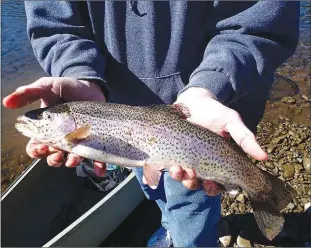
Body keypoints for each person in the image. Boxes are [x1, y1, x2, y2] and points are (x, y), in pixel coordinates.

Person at [3, 1, 299, 247]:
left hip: (208, 109)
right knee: (151, 185)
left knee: (191, 201)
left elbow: (259, 24)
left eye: (43, 118)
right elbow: (56, 27)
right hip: (123, 111)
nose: (37, 120)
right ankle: (172, 226)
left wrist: (212, 84)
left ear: (68, 123)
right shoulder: (76, 128)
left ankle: (194, 239)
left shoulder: (76, 132)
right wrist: (77, 71)